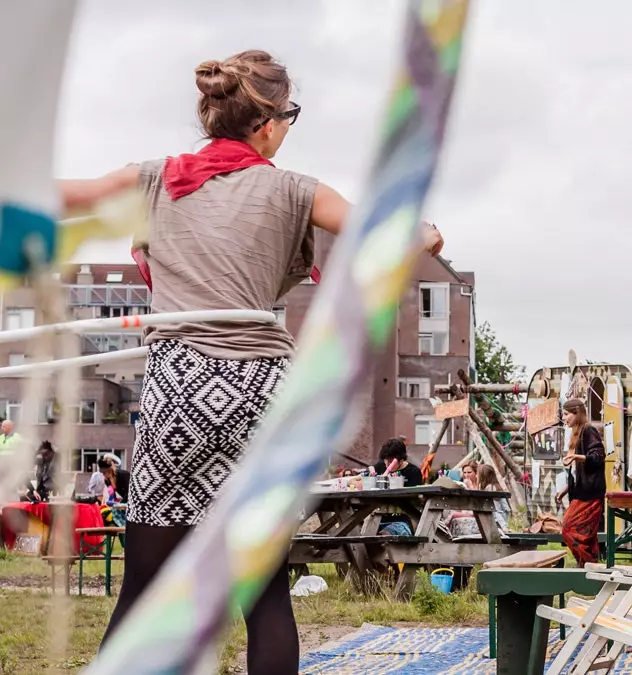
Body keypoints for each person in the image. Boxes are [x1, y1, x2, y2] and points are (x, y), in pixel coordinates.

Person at [58, 50, 444, 674]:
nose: (289, 129)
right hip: (261, 397)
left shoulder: (154, 178)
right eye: (289, 116)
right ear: (266, 123)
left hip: (179, 390)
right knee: (265, 598)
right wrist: (422, 234)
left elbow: (68, 196)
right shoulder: (296, 189)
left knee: (139, 596)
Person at [558, 399, 606, 565]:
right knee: (587, 535)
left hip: (590, 493)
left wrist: (577, 456)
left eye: (566, 414)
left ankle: (586, 564)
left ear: (577, 412)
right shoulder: (576, 433)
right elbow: (577, 471)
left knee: (569, 529)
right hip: (580, 491)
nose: (564, 418)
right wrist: (565, 489)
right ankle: (590, 567)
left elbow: (598, 457)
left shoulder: (588, 430)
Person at [474, 464, 511, 531]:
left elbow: (496, 510)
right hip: (502, 516)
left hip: (499, 519)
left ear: (483, 476)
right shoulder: (494, 486)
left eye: (477, 474)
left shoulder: (490, 488)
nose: (476, 476)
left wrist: (504, 526)